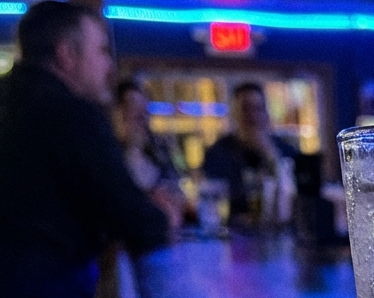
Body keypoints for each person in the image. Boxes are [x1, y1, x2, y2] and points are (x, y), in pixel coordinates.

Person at [0, 0, 172, 298]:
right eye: (100, 51)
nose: (108, 66)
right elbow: (137, 223)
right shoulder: (69, 112)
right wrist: (165, 215)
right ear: (66, 54)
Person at [202, 82, 298, 223]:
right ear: (234, 113)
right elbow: (214, 197)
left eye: (258, 108)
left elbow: (297, 195)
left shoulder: (286, 150)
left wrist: (270, 155)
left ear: (266, 112)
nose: (253, 115)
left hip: (279, 230)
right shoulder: (217, 152)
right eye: (246, 108)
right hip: (232, 235)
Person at [113, 79, 184, 197]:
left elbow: (177, 192)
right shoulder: (107, 155)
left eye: (145, 110)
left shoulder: (159, 154)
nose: (142, 117)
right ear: (117, 113)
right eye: (133, 108)